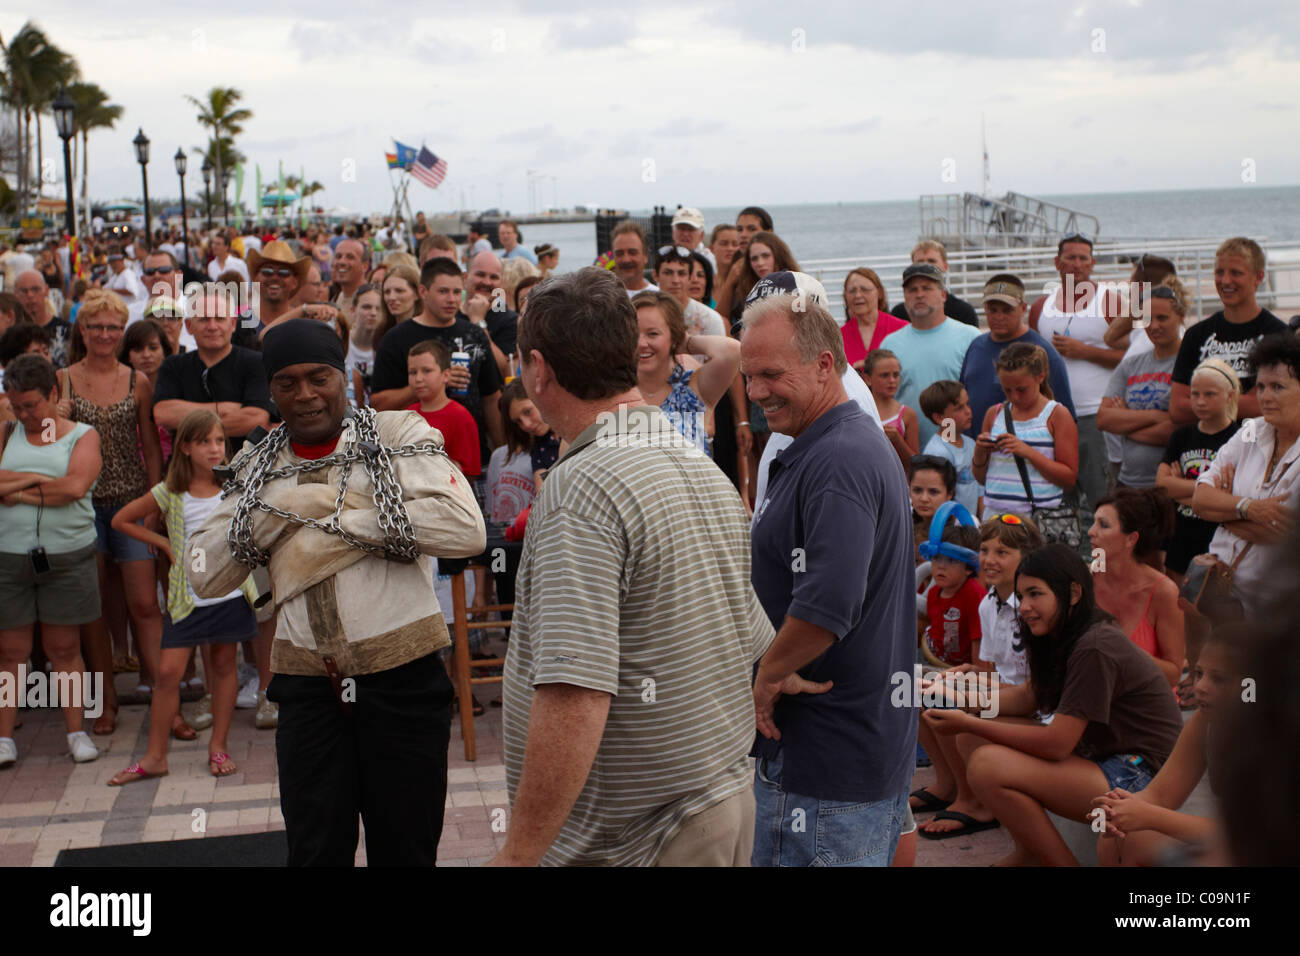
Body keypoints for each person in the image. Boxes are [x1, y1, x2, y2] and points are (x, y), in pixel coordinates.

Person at [492, 268, 771, 866]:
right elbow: (747, 633)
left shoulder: (583, 490)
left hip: (642, 838)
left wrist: (518, 855)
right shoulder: (698, 466)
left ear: (538, 369)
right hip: (719, 802)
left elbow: (574, 691)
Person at [188, 318, 486, 865]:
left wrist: (318, 517)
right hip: (306, 690)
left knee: (406, 849)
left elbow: (464, 529)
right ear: (270, 389)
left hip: (403, 680)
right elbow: (204, 571)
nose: (305, 395)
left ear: (344, 374)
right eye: (287, 382)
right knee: (315, 850)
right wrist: (289, 513)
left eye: (319, 377)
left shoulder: (398, 435)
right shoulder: (256, 465)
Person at [741, 275, 916, 867]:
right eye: (748, 376)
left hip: (824, 765)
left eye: (770, 375)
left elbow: (828, 603)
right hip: (846, 754)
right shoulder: (831, 443)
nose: (756, 391)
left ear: (823, 365)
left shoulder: (838, 458)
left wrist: (768, 675)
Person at [924, 544, 1184, 866]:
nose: (1026, 607)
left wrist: (967, 719)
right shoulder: (1057, 631)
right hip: (1100, 755)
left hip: (1139, 774)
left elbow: (1057, 744)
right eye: (1022, 596)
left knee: (987, 763)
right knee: (970, 740)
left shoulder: (1095, 646)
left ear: (1073, 593)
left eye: (1036, 594)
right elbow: (1028, 698)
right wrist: (958, 699)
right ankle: (1028, 853)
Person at [107, 410, 257, 784]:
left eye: (219, 441)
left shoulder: (234, 485)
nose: (214, 449)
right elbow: (121, 520)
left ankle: (218, 746)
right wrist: (165, 544)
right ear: (186, 447)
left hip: (229, 591)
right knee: (169, 674)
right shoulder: (170, 491)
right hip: (187, 596)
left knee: (223, 666)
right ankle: (155, 756)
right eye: (205, 441)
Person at [58, 290, 166, 729]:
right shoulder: (61, 378)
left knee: (144, 602)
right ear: (82, 331)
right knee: (95, 609)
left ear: (121, 333)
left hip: (130, 500)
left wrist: (156, 497)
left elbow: (151, 446)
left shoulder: (135, 380)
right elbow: (45, 437)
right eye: (96, 326)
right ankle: (105, 702)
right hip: (80, 503)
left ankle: (165, 699)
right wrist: (56, 414)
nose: (104, 334)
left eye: (112, 327)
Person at [913, 514, 1045, 839]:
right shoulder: (989, 603)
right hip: (1006, 694)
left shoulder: (1032, 606)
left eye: (1002, 553)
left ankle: (973, 802)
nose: (989, 559)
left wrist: (962, 688)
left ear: (1026, 559)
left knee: (945, 704)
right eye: (985, 550)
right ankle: (948, 784)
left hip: (1033, 706)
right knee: (910, 688)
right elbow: (992, 670)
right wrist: (969, 674)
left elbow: (1031, 687)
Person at [0, 354, 103, 768]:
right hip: (8, 556)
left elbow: (76, 486)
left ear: (54, 395)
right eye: (16, 405)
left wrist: (19, 488)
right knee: (10, 652)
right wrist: (45, 479)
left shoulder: (83, 435)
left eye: (31, 406)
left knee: (64, 648)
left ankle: (76, 732)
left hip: (68, 554)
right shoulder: (6, 431)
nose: (23, 414)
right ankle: (4, 737)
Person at [1092, 625, 1242, 865]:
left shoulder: (1276, 737)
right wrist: (1115, 809)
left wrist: (1148, 815)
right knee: (1118, 835)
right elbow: (1159, 795)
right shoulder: (1205, 721)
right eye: (1199, 673)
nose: (1200, 687)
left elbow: (1249, 837)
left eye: (1219, 678)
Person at [1190, 332, 1300, 617]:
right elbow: (1200, 500)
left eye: (1278, 387)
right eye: (1260, 386)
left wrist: (1225, 514)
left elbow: (1287, 539)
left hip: (1280, 610)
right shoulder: (1252, 429)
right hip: (1222, 595)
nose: (1265, 396)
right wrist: (1247, 506)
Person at [369, 257, 505, 467]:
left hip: (473, 459)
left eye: (456, 292)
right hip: (414, 460)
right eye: (443, 292)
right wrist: (429, 383)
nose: (452, 299)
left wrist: (503, 452)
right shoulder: (396, 339)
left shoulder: (474, 334)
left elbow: (491, 398)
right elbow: (378, 404)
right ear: (423, 292)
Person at [1029, 234, 1127, 514]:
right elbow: (1031, 361)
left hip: (1095, 418)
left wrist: (1086, 351)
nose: (1077, 264)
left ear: (1093, 263)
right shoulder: (1040, 307)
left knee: (1103, 501)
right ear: (1057, 262)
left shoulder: (1112, 302)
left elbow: (1135, 358)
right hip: (1051, 418)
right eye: (1070, 257)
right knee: (1057, 507)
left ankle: (1103, 556)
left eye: (1083, 258)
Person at [1170, 238, 1288, 426]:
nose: (1225, 281)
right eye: (1219, 272)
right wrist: (1241, 401)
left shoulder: (1280, 336)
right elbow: (1177, 407)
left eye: (1236, 273)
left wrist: (1202, 402)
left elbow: (1270, 403)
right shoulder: (1196, 335)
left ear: (1258, 277)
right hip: (1205, 449)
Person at [152, 285, 275, 451]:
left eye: (219, 318)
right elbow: (163, 414)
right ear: (189, 326)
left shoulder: (255, 363)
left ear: (232, 323)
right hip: (185, 471)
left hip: (244, 468)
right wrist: (222, 409)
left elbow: (255, 419)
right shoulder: (173, 365)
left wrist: (189, 423)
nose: (212, 326)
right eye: (203, 319)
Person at [959, 273, 1076, 441]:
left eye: (1007, 310)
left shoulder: (1043, 353)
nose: (999, 317)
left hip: (1026, 454)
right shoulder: (975, 346)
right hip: (977, 450)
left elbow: (1066, 417)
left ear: (1023, 309)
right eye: (993, 310)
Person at [1156, 359, 1242, 582]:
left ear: (1230, 396)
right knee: (1178, 598)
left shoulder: (1240, 438)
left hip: (1217, 536)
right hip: (1181, 534)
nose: (1200, 401)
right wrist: (1211, 492)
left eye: (1210, 394)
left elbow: (1233, 496)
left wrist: (1181, 489)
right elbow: (1163, 485)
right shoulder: (1182, 436)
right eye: (1195, 394)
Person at [1088, 489, 1185, 685]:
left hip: (1142, 704)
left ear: (1131, 539)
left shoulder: (1163, 591)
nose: (1091, 531)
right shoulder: (1085, 580)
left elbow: (1174, 674)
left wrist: (1122, 649)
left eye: (1103, 525)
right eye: (1093, 522)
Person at [1097, 278, 1185, 489]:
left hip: (1171, 485)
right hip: (1128, 482)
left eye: (1162, 318)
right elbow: (1104, 419)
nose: (1154, 326)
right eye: (1147, 319)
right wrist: (1156, 416)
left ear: (1180, 317)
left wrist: (1126, 422)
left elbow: (1176, 431)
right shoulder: (1131, 365)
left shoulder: (1190, 363)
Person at [974, 343, 1079, 517]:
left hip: (1037, 518)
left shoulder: (1057, 415)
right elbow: (982, 479)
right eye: (1007, 390)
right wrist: (979, 453)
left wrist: (1027, 451)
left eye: (1022, 390)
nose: (1014, 396)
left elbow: (1068, 479)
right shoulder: (994, 414)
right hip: (994, 516)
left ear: (1040, 377)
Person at [631, 290, 740, 457]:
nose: (641, 343)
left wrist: (688, 343)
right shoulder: (615, 391)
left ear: (674, 336)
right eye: (633, 333)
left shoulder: (693, 389)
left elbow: (732, 352)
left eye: (652, 334)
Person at [406, 340, 481, 478]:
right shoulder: (408, 414)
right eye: (412, 372)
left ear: (446, 375)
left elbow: (470, 472)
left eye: (427, 371)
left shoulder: (460, 416)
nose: (418, 378)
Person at [923, 523, 985, 667]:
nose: (941, 566)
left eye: (951, 560)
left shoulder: (973, 594)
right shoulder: (933, 593)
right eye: (936, 558)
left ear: (969, 568)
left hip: (963, 673)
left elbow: (979, 641)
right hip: (934, 663)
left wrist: (979, 680)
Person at [920, 380, 982, 516]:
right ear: (939, 418)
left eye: (968, 404)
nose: (968, 411)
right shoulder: (937, 453)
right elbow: (936, 500)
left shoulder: (971, 444)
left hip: (970, 527)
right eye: (959, 408)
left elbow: (979, 489)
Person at [889, 240, 978, 327]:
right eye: (920, 262)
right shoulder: (899, 314)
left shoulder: (964, 312)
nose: (926, 266)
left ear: (945, 266)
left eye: (931, 261)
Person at [841, 267, 907, 373]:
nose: (858, 295)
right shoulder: (838, 337)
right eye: (852, 291)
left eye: (864, 289)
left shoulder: (902, 329)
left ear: (879, 293)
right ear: (845, 297)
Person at [862, 348, 917, 466]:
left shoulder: (907, 415)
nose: (892, 380)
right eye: (884, 375)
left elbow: (916, 464)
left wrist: (898, 441)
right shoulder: (859, 411)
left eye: (896, 375)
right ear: (867, 379)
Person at [14, 270, 72, 369]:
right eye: (24, 291)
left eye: (35, 289)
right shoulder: (11, 335)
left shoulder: (67, 330)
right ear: (15, 294)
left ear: (46, 290)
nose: (30, 295)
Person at [908, 454, 956, 558]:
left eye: (933, 492)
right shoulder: (902, 526)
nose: (924, 498)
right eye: (917, 490)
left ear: (949, 494)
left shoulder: (963, 528)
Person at [610, 220, 657, 296]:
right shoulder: (603, 299)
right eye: (619, 253)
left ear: (645, 256)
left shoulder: (659, 298)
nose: (626, 260)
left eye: (632, 252)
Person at [329, 238, 368, 320]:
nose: (341, 262)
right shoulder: (338, 297)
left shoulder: (370, 302)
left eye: (350, 257)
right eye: (338, 256)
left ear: (365, 266)